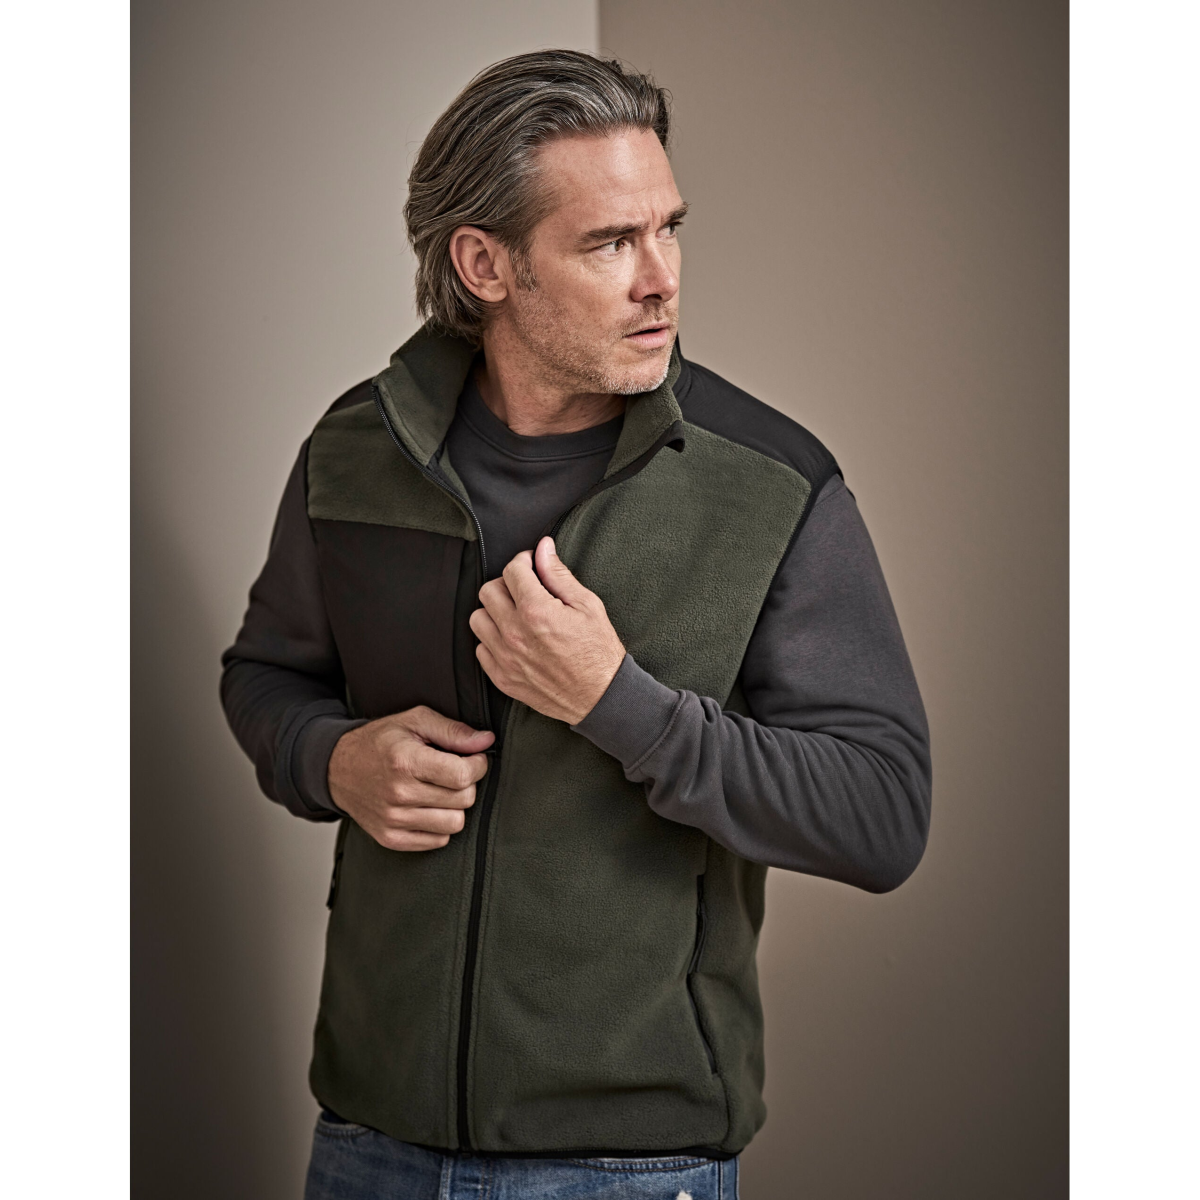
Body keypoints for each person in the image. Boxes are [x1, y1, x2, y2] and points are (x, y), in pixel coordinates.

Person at [221, 49, 931, 1200]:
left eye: (669, 230)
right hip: (368, 1138)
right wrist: (329, 758)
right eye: (609, 243)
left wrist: (620, 705)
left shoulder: (771, 486)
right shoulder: (357, 452)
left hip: (631, 1164)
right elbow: (265, 675)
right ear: (484, 265)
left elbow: (882, 814)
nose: (661, 280)